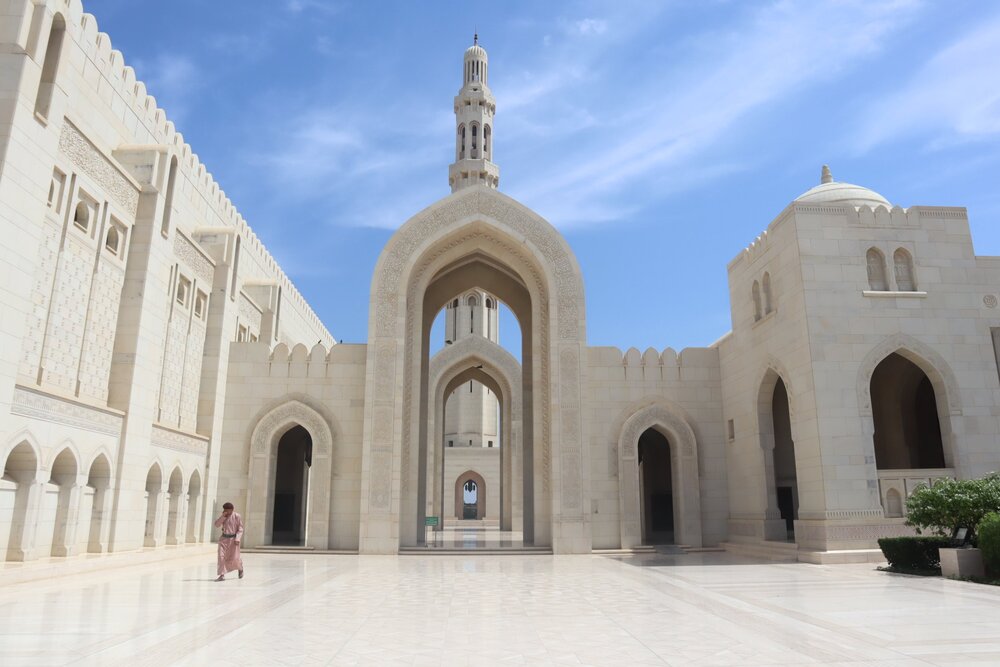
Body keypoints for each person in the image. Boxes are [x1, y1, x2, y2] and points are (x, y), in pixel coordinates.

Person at [213, 502, 244, 581]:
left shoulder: (237, 516)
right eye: (225, 510)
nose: (227, 511)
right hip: (223, 539)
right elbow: (216, 525)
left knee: (234, 558)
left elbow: (240, 529)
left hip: (233, 540)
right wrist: (223, 517)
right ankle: (222, 575)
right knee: (221, 557)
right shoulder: (224, 516)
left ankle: (240, 568)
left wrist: (237, 539)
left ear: (232, 510)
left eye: (228, 510)